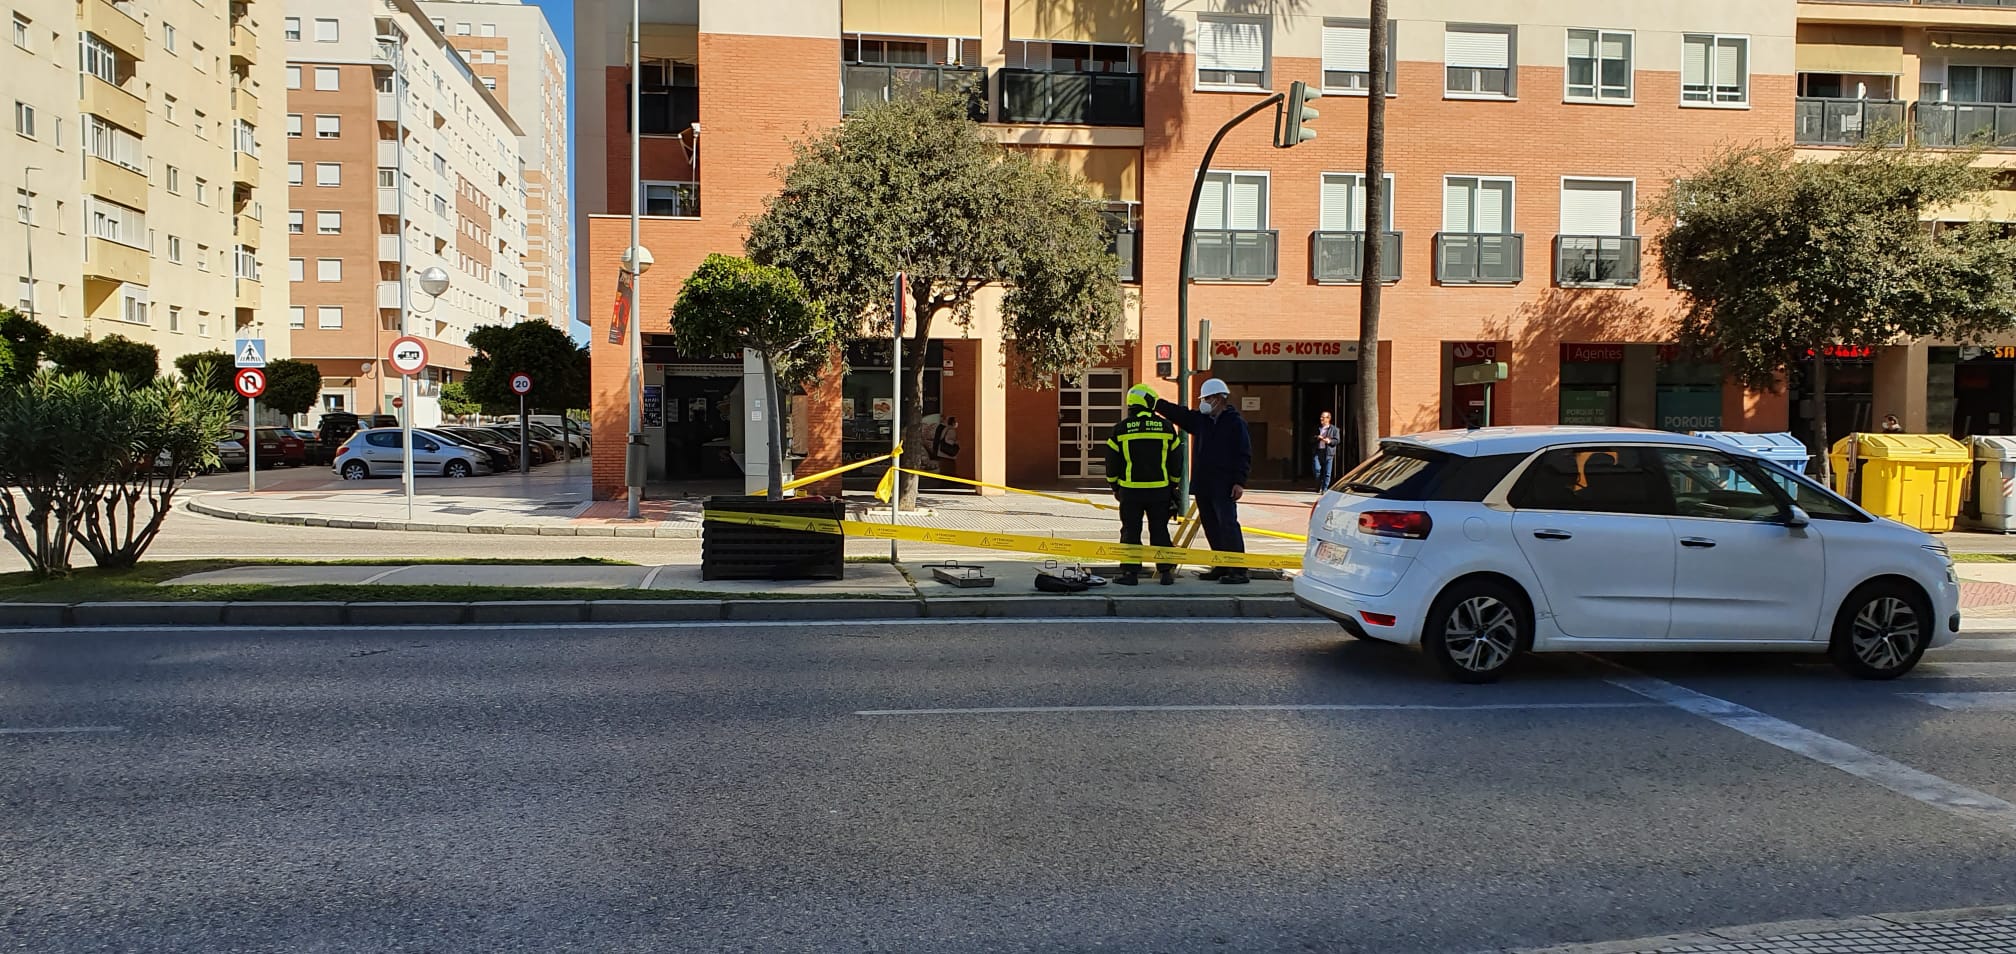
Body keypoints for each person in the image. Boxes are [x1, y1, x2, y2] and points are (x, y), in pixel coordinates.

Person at [1155, 378, 1253, 585]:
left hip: (1225, 485)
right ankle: (1221, 564)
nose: (1204, 402)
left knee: (1227, 525)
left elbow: (1243, 454)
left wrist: (1239, 482)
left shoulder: (1235, 423)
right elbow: (1180, 414)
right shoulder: (1202, 421)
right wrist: (1157, 403)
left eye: (1208, 398)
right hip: (1204, 484)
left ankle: (1238, 570)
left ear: (1219, 399)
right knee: (1211, 526)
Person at [1103, 385, 1181, 586]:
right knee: (1160, 530)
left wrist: (1115, 486)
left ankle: (1130, 574)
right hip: (1160, 491)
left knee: (1130, 531)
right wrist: (1174, 484)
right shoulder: (1165, 427)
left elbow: (1111, 462)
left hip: (1131, 491)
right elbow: (1176, 460)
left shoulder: (1121, 428)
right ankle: (1165, 572)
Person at [1312, 410, 1341, 492]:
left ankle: (1325, 489)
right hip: (1318, 452)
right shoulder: (1316, 428)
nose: (1321, 418)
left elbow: (1337, 440)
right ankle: (1318, 486)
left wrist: (1329, 441)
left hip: (1328, 452)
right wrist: (1317, 437)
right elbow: (1310, 438)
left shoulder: (1334, 429)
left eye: (1323, 417)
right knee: (1317, 470)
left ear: (1328, 419)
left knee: (1327, 473)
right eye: (1321, 417)